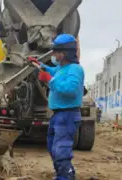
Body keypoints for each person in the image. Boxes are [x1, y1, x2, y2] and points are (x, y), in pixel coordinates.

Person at [28, 34, 84, 180]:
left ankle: (65, 177)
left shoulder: (75, 69)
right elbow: (53, 72)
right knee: (53, 146)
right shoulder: (62, 68)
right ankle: (63, 173)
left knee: (61, 149)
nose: (53, 55)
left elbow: (70, 89)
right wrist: (40, 65)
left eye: (55, 52)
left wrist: (50, 80)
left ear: (64, 53)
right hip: (58, 115)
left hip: (68, 114)